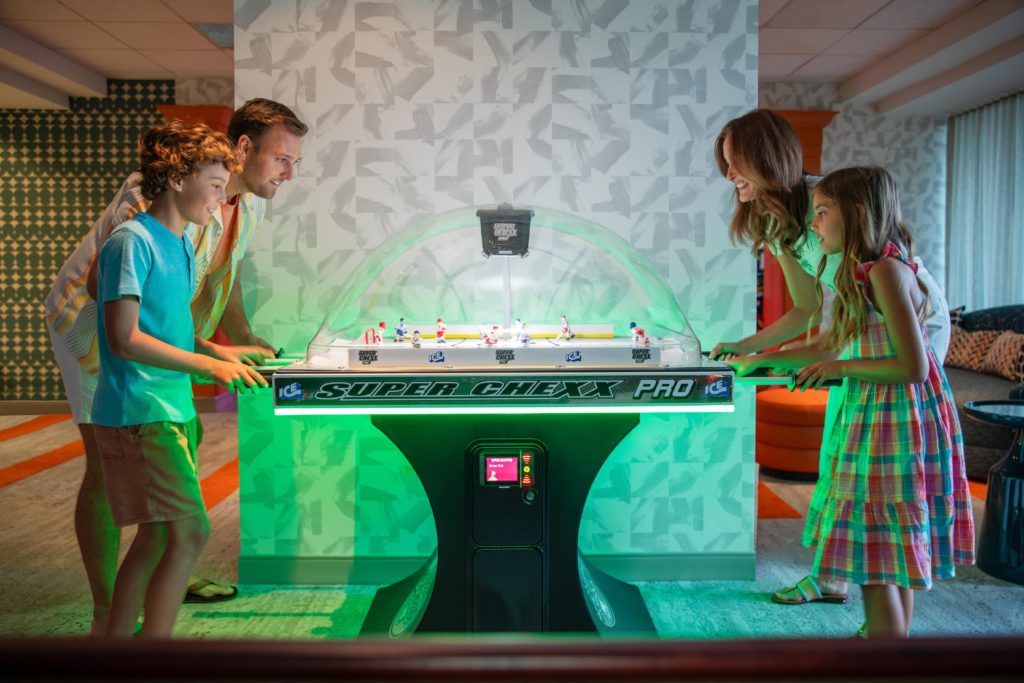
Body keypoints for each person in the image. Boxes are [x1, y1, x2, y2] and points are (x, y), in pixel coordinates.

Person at [44, 98, 307, 634]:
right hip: (92, 326)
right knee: (108, 459)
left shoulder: (241, 204)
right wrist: (205, 360)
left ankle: (164, 563)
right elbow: (109, 288)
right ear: (241, 150)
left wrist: (236, 340)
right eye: (281, 158)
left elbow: (220, 274)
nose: (289, 173)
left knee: (171, 474)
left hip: (165, 343)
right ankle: (107, 609)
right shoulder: (154, 200)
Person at [708, 110, 951, 607]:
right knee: (840, 452)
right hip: (862, 327)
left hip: (908, 329)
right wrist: (749, 348)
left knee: (875, 465)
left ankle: (879, 574)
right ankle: (834, 576)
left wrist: (816, 360)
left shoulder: (832, 205)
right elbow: (806, 310)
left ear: (766, 159)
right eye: (727, 165)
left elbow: (873, 296)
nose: (729, 176)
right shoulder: (775, 222)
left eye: (736, 165)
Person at [92, 121, 268, 637]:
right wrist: (211, 368)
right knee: (190, 533)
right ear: (176, 178)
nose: (220, 199)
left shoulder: (181, 243)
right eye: (214, 186)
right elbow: (124, 338)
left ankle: (115, 649)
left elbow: (172, 330)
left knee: (157, 538)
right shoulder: (131, 241)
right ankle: (153, 652)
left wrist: (223, 350)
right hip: (139, 412)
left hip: (171, 409)